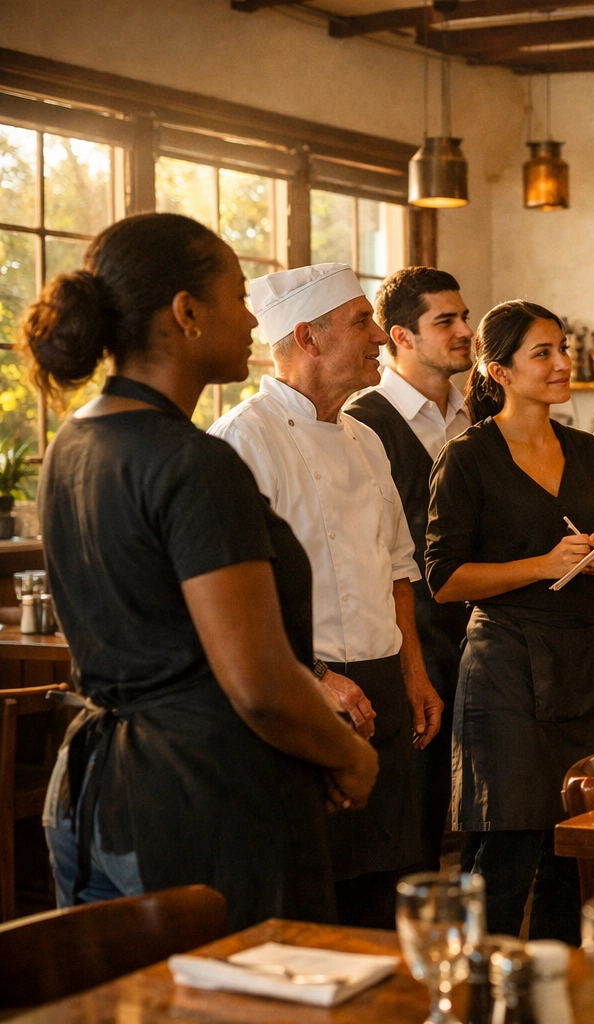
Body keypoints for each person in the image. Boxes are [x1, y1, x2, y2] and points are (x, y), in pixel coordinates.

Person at [23, 213, 377, 929]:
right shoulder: (196, 463)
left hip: (99, 789)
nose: (252, 318)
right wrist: (348, 755)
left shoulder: (72, 444)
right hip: (202, 799)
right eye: (238, 295)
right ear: (187, 313)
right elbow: (259, 684)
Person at [210, 263, 442, 928]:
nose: (378, 338)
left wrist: (413, 671)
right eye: (361, 323)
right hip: (303, 692)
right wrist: (315, 679)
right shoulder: (241, 440)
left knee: (385, 891)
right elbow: (234, 604)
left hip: (385, 692)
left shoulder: (365, 438)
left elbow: (397, 566)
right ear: (309, 340)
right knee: (314, 897)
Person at [425, 300, 594, 943]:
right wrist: (542, 564)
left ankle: (562, 998)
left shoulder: (588, 451)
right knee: (506, 857)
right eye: (542, 353)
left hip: (588, 662)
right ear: (500, 371)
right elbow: (443, 579)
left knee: (580, 855)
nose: (562, 363)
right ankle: (480, 1000)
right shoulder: (467, 456)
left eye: (562, 348)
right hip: (506, 670)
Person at [345, 267, 474, 873]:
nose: (465, 331)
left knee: (477, 809)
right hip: (411, 643)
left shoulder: (472, 416)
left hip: (477, 640)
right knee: (413, 821)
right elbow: (371, 554)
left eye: (464, 317)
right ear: (400, 335)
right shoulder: (362, 421)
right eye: (445, 321)